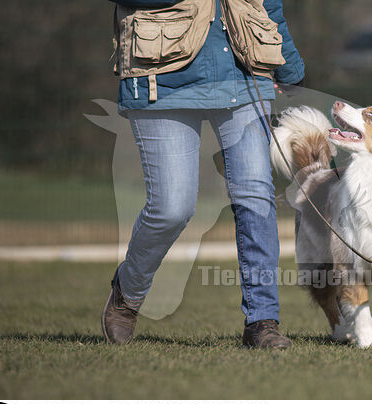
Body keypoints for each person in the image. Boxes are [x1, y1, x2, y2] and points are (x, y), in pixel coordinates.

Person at [101, 0, 305, 349]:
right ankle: (128, 292)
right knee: (172, 207)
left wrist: (290, 65)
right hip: (162, 71)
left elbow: (268, 3)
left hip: (242, 67)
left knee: (255, 195)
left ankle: (263, 321)